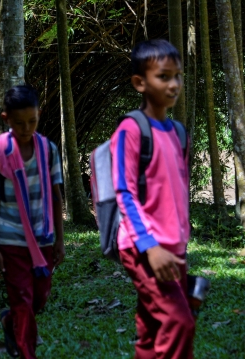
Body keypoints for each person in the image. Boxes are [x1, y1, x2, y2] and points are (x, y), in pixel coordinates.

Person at [110, 39, 194, 358]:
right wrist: (150, 246)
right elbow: (124, 191)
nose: (173, 84)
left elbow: (176, 194)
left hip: (173, 247)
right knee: (179, 322)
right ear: (140, 83)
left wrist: (180, 243)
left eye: (178, 76)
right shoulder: (130, 130)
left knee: (152, 329)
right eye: (164, 76)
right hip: (143, 245)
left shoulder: (179, 133)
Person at [0, 85, 65, 359]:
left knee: (39, 298)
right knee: (23, 300)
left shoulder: (48, 150)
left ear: (39, 115)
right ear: (6, 119)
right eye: (19, 123)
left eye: (32, 121)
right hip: (11, 240)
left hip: (43, 240)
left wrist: (60, 240)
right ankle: (27, 352)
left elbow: (56, 195)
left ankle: (8, 322)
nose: (26, 128)